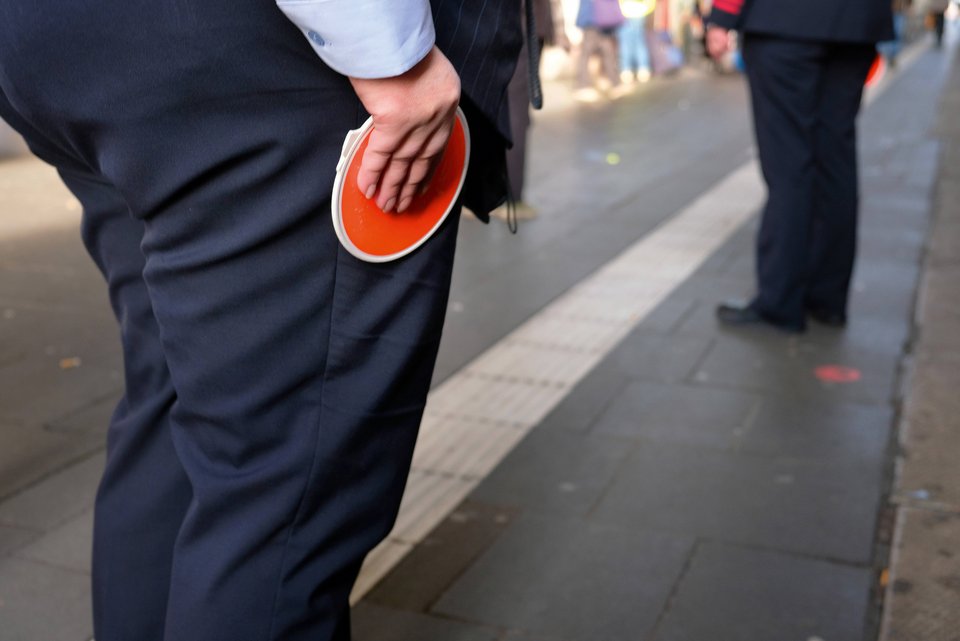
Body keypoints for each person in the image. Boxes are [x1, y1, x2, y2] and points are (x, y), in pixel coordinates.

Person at [0, 1, 520, 640]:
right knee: (279, 495)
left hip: (51, 43)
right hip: (253, 49)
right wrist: (393, 59)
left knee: (171, 409)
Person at [707, 0, 894, 333]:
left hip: (783, 19)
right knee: (836, 162)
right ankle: (828, 299)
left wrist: (722, 15)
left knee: (789, 164)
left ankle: (780, 302)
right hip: (857, 22)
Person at [575, 0, 628, 101]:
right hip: (593, 18)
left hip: (601, 18)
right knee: (588, 52)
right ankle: (583, 86)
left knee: (607, 51)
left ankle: (614, 83)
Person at [618, 0, 654, 84]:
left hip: (625, 12)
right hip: (639, 11)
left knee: (625, 44)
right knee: (639, 43)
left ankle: (626, 71)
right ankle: (643, 69)